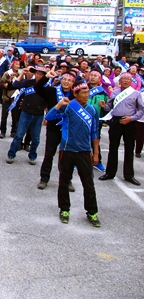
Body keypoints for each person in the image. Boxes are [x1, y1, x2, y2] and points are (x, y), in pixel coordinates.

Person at [44, 80, 101, 227]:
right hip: (67, 149)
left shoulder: (92, 110)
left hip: (84, 151)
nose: (87, 95)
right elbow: (49, 117)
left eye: (88, 92)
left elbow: (95, 132)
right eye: (84, 92)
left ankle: (92, 212)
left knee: (88, 183)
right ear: (76, 94)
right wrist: (59, 104)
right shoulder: (69, 108)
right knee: (64, 181)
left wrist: (96, 153)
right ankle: (64, 210)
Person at [99, 72, 144, 186]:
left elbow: (141, 109)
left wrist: (132, 118)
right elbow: (110, 107)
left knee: (129, 148)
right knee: (113, 147)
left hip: (130, 122)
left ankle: (129, 175)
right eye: (123, 79)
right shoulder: (114, 92)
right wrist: (104, 106)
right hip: (116, 122)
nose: (125, 81)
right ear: (120, 81)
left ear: (131, 81)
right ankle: (110, 173)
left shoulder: (136, 93)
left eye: (128, 79)